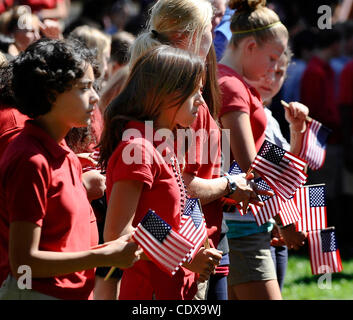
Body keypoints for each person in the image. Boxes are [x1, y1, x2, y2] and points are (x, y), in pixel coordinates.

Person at [128, 0, 269, 300]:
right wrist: (231, 183)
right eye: (209, 29)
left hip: (194, 248)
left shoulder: (163, 102)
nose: (215, 36)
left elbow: (182, 184)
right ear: (187, 37)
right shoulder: (176, 112)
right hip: (171, 261)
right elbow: (169, 197)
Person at [0, 38, 141, 300]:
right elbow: (23, 266)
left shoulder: (62, 149)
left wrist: (112, 249)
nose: (96, 97)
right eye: (84, 88)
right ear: (51, 93)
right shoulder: (30, 160)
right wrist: (101, 255)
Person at [99, 45, 223, 300]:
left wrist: (195, 246)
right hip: (148, 290)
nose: (201, 100)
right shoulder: (138, 148)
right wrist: (186, 255)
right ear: (167, 94)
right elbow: (119, 232)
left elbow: (162, 215)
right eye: (196, 91)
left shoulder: (159, 143)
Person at [217, 0, 288, 300]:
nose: (274, 69)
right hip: (240, 224)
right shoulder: (231, 86)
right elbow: (250, 165)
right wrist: (287, 213)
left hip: (243, 220)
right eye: (272, 58)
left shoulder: (235, 83)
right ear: (249, 46)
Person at [245, 47, 307, 290]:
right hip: (247, 227)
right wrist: (285, 223)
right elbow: (256, 171)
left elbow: (289, 171)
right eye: (266, 71)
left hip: (269, 225)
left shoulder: (269, 117)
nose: (271, 79)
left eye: (280, 73)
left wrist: (297, 129)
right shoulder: (246, 116)